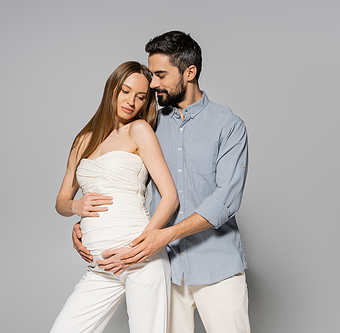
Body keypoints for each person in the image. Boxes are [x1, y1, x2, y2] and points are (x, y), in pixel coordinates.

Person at [73, 31, 251, 333]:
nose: (152, 83)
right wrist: (87, 224)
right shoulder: (148, 124)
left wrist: (165, 235)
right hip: (163, 268)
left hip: (217, 266)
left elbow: (225, 202)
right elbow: (122, 180)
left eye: (160, 75)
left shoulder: (229, 126)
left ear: (190, 72)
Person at [50, 61, 178, 333]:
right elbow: (61, 201)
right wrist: (75, 206)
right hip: (100, 268)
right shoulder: (83, 140)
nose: (131, 102)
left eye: (141, 97)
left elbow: (170, 197)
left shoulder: (139, 130)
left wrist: (136, 250)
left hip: (140, 261)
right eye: (125, 91)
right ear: (112, 89)